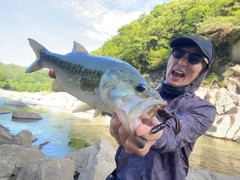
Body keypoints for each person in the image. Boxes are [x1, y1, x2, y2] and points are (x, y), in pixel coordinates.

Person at [107, 34, 216, 180]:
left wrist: (153, 134)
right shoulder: (139, 92)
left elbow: (172, 136)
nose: (182, 62)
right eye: (178, 53)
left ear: (203, 71)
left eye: (194, 58)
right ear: (170, 58)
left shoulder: (203, 110)